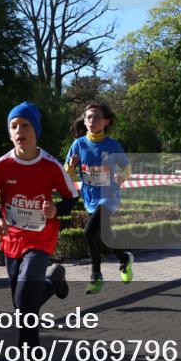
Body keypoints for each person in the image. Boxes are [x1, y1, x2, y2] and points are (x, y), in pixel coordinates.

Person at [0, 101, 77, 361]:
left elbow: (71, 197)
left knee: (24, 298)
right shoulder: (1, 166)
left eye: (25, 125)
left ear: (36, 131)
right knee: (22, 303)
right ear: (9, 133)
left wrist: (57, 209)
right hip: (12, 239)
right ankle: (53, 282)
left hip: (41, 238)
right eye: (14, 126)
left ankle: (32, 360)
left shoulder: (50, 165)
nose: (19, 130)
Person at [65, 102, 133, 295]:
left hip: (108, 197)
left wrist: (122, 176)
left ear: (106, 122)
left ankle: (96, 276)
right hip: (90, 198)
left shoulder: (112, 145)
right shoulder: (78, 145)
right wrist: (71, 165)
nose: (91, 120)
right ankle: (124, 260)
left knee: (88, 233)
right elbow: (67, 173)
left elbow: (127, 167)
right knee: (105, 235)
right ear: (84, 121)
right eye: (88, 117)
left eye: (96, 117)